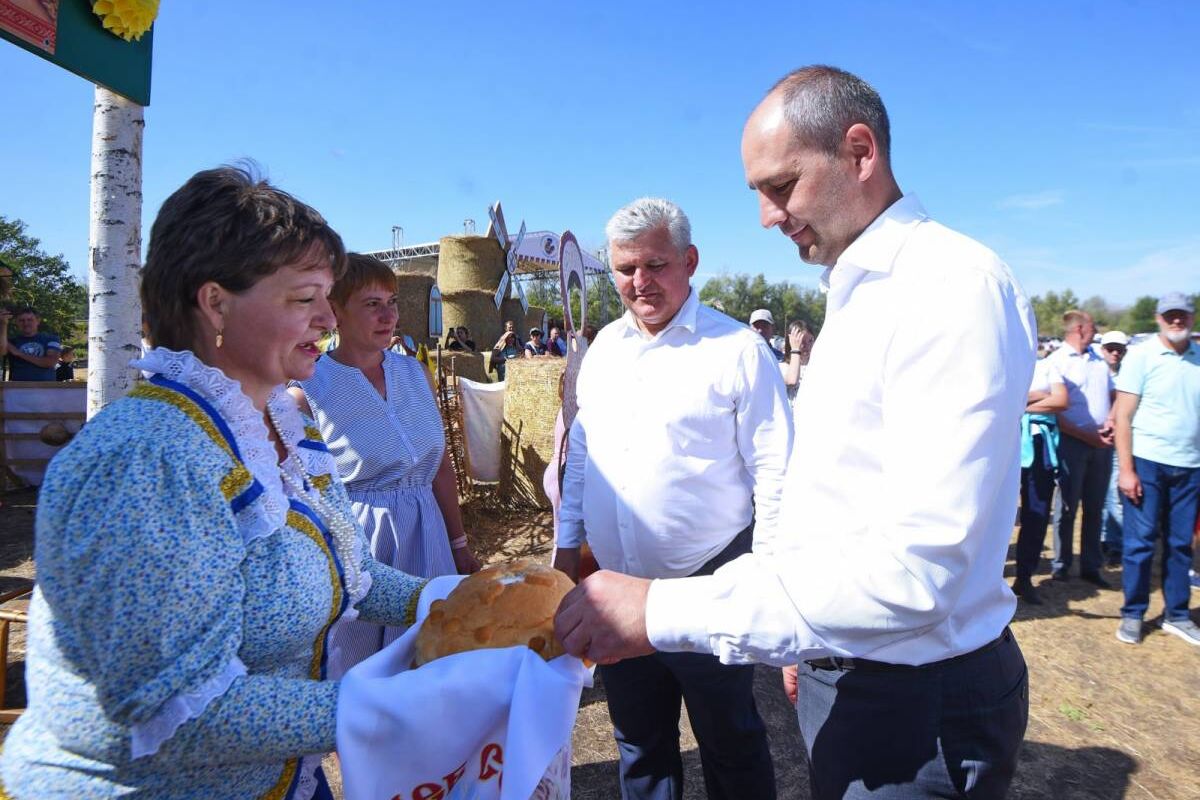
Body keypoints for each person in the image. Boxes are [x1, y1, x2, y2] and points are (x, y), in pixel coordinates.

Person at [555, 66, 1036, 800]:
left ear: (860, 152)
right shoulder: (860, 292)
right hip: (849, 662)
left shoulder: (946, 288)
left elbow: (918, 571)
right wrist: (800, 636)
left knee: (731, 750)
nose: (766, 217)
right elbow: (833, 495)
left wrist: (661, 608)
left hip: (913, 702)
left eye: (780, 186)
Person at [0, 166, 433, 798]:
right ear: (216, 303)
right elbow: (172, 713)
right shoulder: (144, 460)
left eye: (327, 297)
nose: (326, 319)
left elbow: (353, 575)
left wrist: (459, 601)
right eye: (304, 297)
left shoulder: (286, 426)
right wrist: (401, 707)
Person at [554, 197, 792, 800]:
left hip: (709, 580)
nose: (640, 282)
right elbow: (582, 453)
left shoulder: (738, 351)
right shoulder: (603, 348)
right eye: (626, 269)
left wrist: (772, 586)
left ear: (690, 261)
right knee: (638, 742)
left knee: (730, 737)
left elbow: (778, 474)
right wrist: (566, 549)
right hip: (615, 587)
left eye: (655, 265)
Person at [291, 253, 481, 676]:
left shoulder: (414, 373)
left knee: (435, 659)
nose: (388, 314)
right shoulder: (308, 389)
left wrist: (458, 544)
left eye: (392, 302)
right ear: (336, 311)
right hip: (363, 544)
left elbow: (440, 467)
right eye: (371, 303)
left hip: (428, 534)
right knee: (366, 673)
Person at [1112, 292, 1200, 646]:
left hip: (1191, 466)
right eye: (1170, 316)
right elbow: (1123, 416)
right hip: (1148, 463)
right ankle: (1133, 614)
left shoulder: (1198, 359)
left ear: (1192, 318)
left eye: (1182, 315)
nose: (1176, 321)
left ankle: (1177, 614)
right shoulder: (1142, 356)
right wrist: (1127, 470)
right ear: (1158, 318)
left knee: (1181, 545)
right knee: (1140, 544)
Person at [1047, 310, 1114, 586]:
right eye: (1092, 326)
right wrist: (1087, 436)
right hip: (1071, 443)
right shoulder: (1057, 361)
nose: (1095, 331)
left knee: (1096, 506)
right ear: (1079, 330)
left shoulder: (1099, 360)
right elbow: (1055, 412)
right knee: (1067, 506)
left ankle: (1091, 565)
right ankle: (1061, 563)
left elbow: (1113, 394)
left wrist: (1111, 420)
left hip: (1102, 443)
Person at [1012, 356, 1068, 605]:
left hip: (1038, 446)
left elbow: (1061, 399)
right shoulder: (1002, 355)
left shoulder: (1048, 365)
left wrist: (1018, 403)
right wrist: (1039, 394)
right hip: (1004, 441)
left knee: (1037, 513)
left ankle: (1024, 577)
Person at [1098, 330, 1130, 565]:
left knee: (1113, 494)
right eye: (1110, 348)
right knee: (1101, 494)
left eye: (1119, 349)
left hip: (1119, 441)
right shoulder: (1096, 372)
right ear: (1103, 349)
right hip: (1096, 440)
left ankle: (1116, 543)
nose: (1115, 353)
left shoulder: (1129, 375)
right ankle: (1104, 538)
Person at [5, 306, 61, 381]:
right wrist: (3, 324)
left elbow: (50, 362)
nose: (26, 323)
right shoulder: (12, 342)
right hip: (17, 389)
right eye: (21, 320)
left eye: (30, 320)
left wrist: (19, 353)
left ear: (38, 321)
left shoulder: (51, 339)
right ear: (16, 322)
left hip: (46, 389)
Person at [782, 320, 814, 405]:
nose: (807, 346)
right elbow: (792, 381)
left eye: (810, 340)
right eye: (802, 341)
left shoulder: (817, 366)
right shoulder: (782, 367)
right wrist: (796, 349)